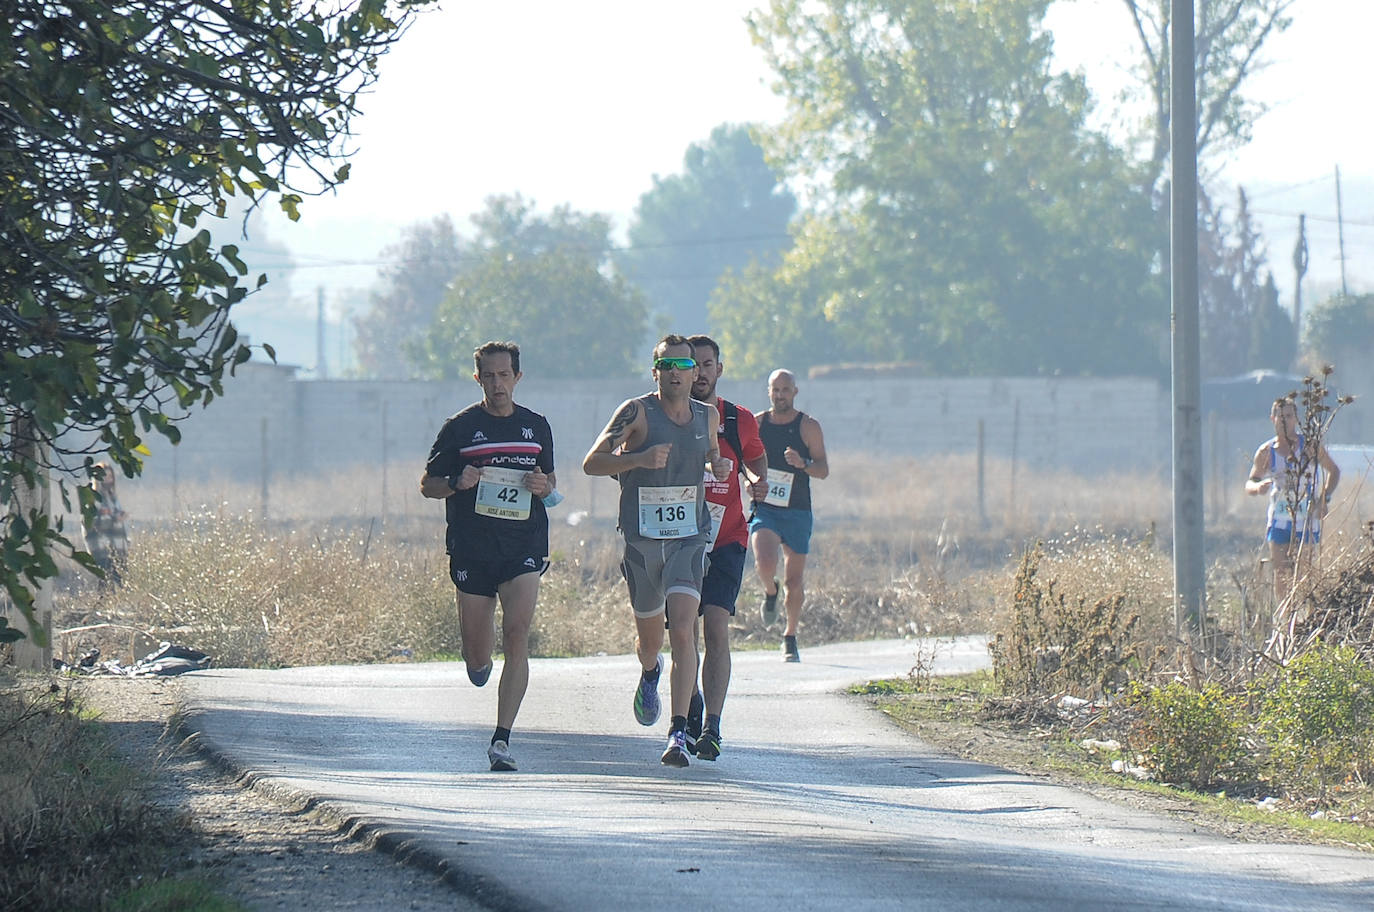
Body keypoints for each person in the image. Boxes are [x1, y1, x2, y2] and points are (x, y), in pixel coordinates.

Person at [583, 334, 731, 767]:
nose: (678, 374)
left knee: (684, 629)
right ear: (656, 372)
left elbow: (710, 458)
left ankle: (678, 733)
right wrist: (637, 459)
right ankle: (651, 671)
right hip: (643, 543)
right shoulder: (635, 412)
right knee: (651, 641)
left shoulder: (707, 416)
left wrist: (716, 466)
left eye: (686, 367)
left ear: (696, 373)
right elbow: (592, 462)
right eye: (668, 366)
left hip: (689, 537)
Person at [421, 341, 557, 772]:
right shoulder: (459, 428)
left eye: (505, 375)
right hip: (473, 548)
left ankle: (502, 738)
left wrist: (544, 487)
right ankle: (478, 663)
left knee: (518, 635)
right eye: (489, 376)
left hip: (524, 545)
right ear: (477, 378)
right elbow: (428, 484)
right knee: (478, 656)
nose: (498, 384)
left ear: (518, 377)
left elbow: (549, 479)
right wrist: (458, 482)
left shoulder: (536, 426)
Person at [683, 334, 768, 761]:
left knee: (715, 625)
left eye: (707, 364)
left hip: (727, 537)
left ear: (720, 368)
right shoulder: (665, 416)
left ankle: (712, 726)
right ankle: (691, 704)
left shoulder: (738, 420)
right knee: (683, 634)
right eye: (692, 365)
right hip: (676, 540)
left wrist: (756, 482)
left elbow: (756, 458)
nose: (700, 373)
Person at [750, 368, 828, 662]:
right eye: (775, 389)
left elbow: (823, 470)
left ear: (795, 392)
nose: (780, 395)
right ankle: (770, 593)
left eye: (785, 389)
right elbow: (746, 461)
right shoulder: (757, 424)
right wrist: (750, 481)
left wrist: (802, 462)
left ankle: (790, 636)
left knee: (794, 581)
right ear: (768, 391)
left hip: (796, 509)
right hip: (766, 505)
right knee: (765, 561)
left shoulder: (808, 427)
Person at [1245, 397, 1339, 607]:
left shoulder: (1310, 447)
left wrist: (1324, 499)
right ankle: (1284, 615)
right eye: (1279, 416)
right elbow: (1250, 483)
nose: (1284, 421)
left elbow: (1334, 471)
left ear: (1296, 419)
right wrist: (1258, 488)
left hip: (1306, 517)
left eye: (1288, 416)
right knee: (1281, 571)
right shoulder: (1266, 451)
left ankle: (1305, 615)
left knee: (1303, 571)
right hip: (1279, 519)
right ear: (1272, 419)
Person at [83, 461, 128, 588]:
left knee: (118, 581)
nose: (109, 479)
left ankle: (108, 604)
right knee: (107, 582)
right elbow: (91, 523)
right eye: (105, 476)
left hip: (116, 547)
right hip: (101, 548)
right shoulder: (94, 498)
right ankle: (103, 605)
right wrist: (115, 520)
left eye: (111, 476)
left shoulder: (112, 497)